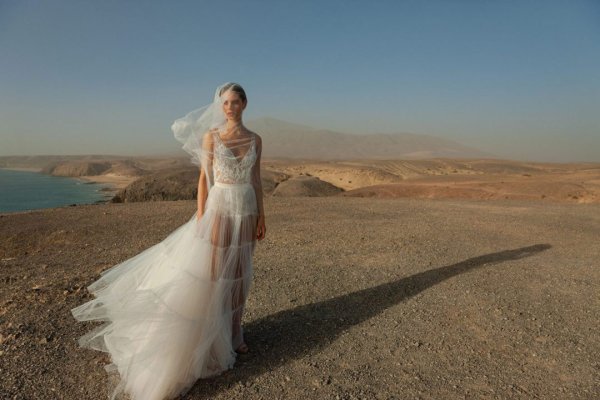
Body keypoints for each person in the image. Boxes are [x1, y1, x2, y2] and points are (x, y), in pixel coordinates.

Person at [70, 82, 266, 400]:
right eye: (225, 103)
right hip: (219, 209)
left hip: (246, 209)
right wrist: (202, 218)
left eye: (235, 102)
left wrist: (262, 216)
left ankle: (235, 332)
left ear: (245, 103)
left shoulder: (256, 139)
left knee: (241, 274)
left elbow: (255, 180)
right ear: (221, 107)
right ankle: (210, 340)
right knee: (216, 275)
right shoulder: (212, 137)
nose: (229, 107)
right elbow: (205, 179)